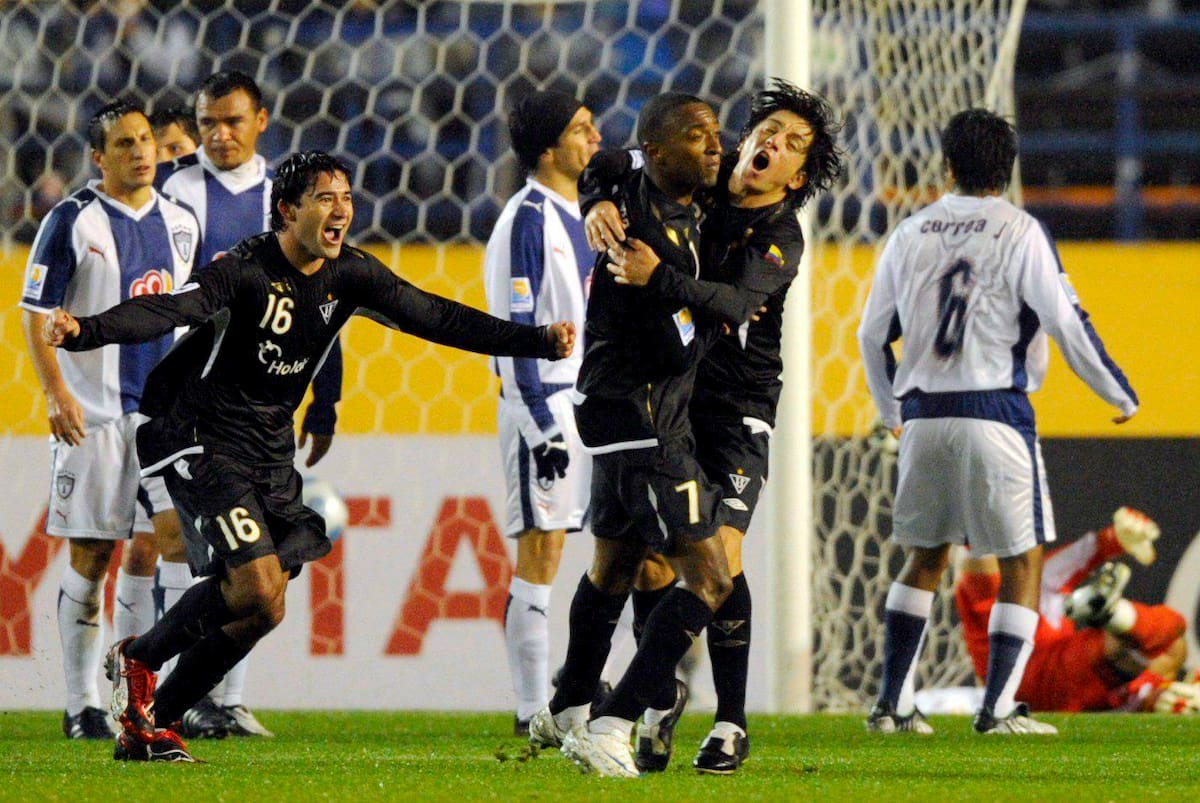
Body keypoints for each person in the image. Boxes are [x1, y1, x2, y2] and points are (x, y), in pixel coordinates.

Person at [44, 150, 576, 763]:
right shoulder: (242, 270)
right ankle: (138, 659)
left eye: (346, 197)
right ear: (287, 211)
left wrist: (534, 340)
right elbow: (170, 308)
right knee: (256, 580)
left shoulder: (349, 274)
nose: (341, 209)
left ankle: (151, 725)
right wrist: (85, 330)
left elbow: (435, 315)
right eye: (325, 197)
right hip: (196, 434)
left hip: (267, 451)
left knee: (263, 607)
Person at [583, 79, 843, 773]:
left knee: (716, 561)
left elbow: (732, 303)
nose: (772, 144)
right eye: (769, 130)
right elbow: (613, 161)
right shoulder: (697, 183)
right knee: (666, 561)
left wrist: (656, 276)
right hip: (678, 398)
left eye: (791, 144)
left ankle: (693, 717)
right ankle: (661, 697)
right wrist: (595, 203)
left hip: (737, 413)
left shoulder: (780, 234)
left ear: (798, 174)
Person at [857, 108, 1139, 735]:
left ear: (947, 165)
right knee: (1022, 559)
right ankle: (999, 709)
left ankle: (891, 705)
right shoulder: (1020, 231)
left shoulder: (910, 232)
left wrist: (890, 413)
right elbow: (1067, 323)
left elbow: (872, 335)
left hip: (924, 414)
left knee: (924, 556)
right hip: (995, 411)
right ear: (1008, 171)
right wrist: (1117, 392)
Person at [526, 93, 725, 778]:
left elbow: (609, 158)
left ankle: (570, 701)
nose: (715, 146)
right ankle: (611, 723)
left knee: (614, 565)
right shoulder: (645, 233)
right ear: (662, 150)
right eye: (698, 137)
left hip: (615, 411)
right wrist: (715, 316)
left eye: (716, 134)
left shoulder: (643, 187)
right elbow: (672, 346)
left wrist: (593, 195)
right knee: (711, 576)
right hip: (642, 416)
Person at [156, 70, 341, 738]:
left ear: (261, 120)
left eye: (232, 121)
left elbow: (322, 295)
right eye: (208, 122)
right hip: (196, 401)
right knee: (180, 547)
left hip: (267, 403)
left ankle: (220, 697)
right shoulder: (176, 190)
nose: (219, 134)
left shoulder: (284, 194)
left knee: (264, 564)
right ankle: (147, 687)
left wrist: (326, 398)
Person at [19, 100, 198, 741]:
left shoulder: (182, 222)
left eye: (146, 139)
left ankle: (140, 697)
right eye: (124, 143)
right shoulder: (71, 221)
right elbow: (37, 315)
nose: (141, 151)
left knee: (161, 547)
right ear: (99, 157)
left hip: (161, 421)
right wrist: (56, 394)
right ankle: (79, 702)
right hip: (91, 418)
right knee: (94, 555)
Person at [482, 91, 601, 735]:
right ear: (549, 148)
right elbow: (513, 336)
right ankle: (533, 714)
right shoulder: (525, 221)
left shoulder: (581, 214)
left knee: (600, 552)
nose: (596, 138)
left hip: (583, 402)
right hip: (543, 403)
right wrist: (542, 427)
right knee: (541, 553)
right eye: (582, 130)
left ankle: (576, 694)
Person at [956, 507, 1198, 713]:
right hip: (1034, 677)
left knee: (1173, 646)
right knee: (1167, 633)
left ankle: (1153, 694)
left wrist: (1112, 539)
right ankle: (1113, 614)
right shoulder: (990, 589)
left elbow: (1061, 565)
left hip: (1067, 676)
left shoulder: (1031, 580)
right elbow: (983, 555)